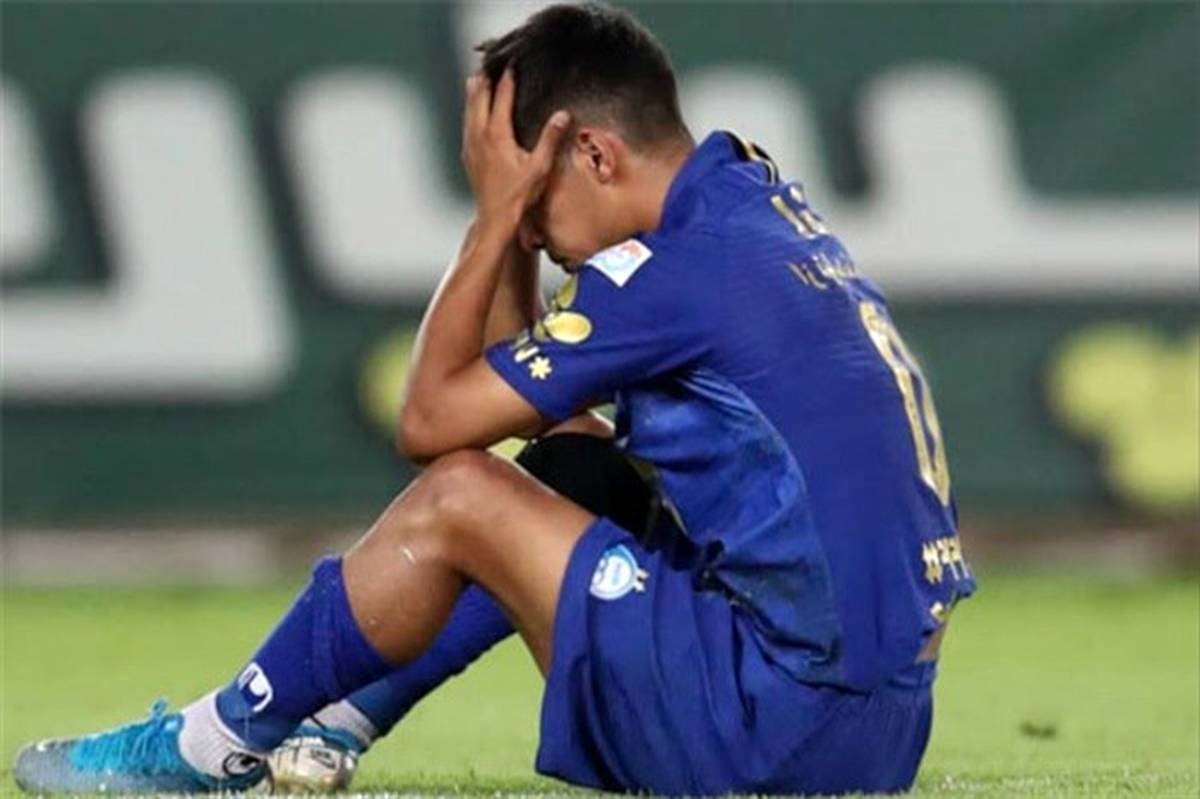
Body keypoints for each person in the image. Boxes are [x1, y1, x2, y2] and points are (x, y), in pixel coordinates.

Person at [13, 4, 975, 795]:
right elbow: (533, 410)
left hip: (776, 733)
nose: (538, 235)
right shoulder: (744, 205)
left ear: (594, 154)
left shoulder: (670, 276)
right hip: (878, 726)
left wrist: (487, 223)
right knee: (576, 465)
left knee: (461, 495)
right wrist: (518, 219)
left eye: (534, 197)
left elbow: (430, 424)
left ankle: (212, 744)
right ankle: (333, 724)